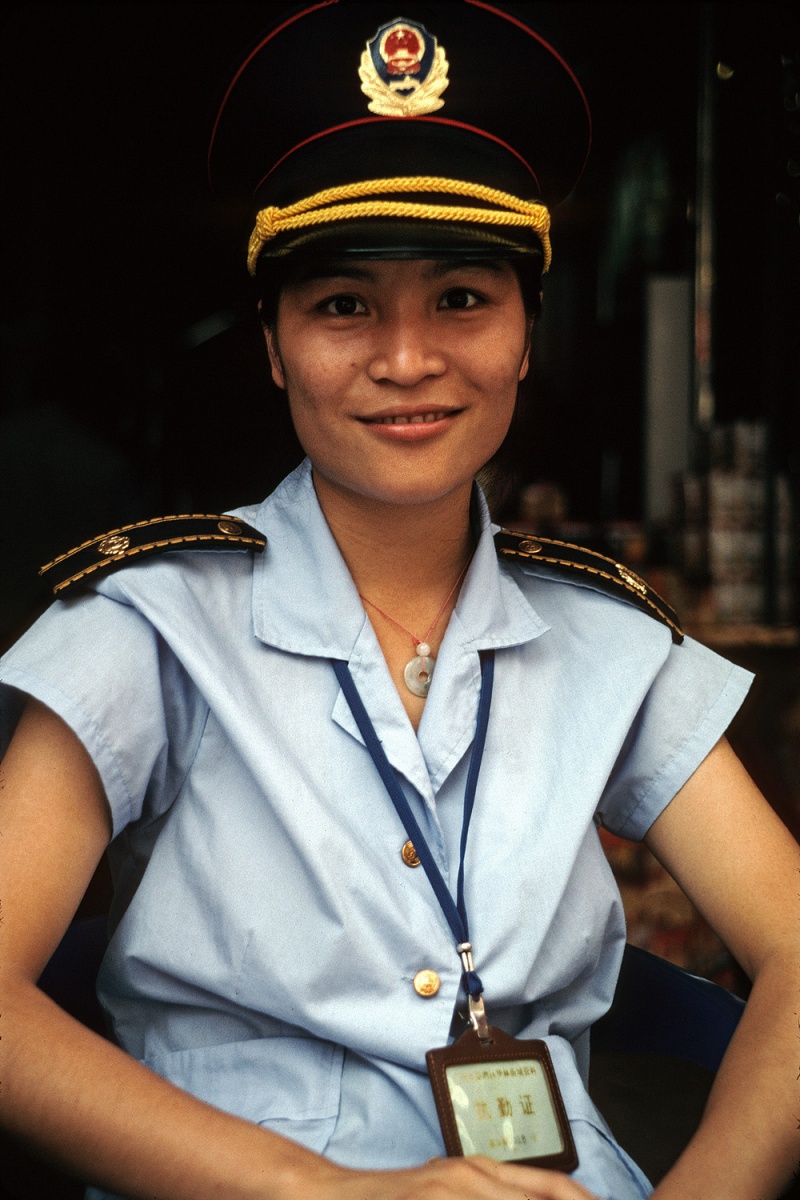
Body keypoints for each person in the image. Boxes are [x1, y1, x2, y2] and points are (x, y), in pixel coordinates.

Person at [1, 4, 799, 1199]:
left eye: (462, 299)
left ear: (526, 335)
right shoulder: (153, 622)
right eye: (341, 305)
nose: (408, 359)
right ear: (272, 346)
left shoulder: (601, 637)